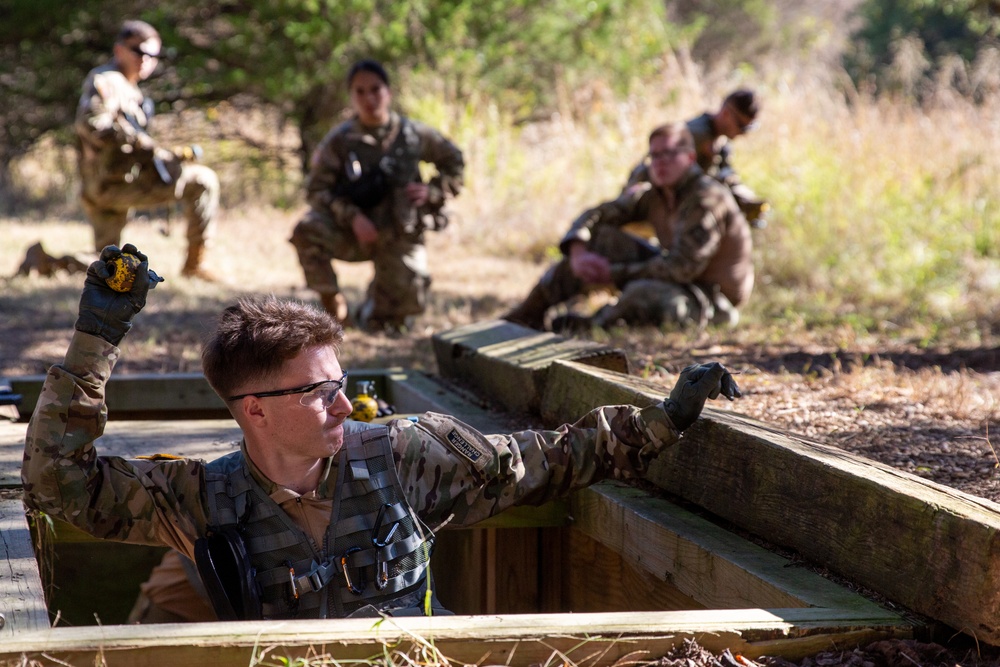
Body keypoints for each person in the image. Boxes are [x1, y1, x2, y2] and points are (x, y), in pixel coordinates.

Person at [22, 244, 741, 621]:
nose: (344, 405)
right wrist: (96, 338)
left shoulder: (408, 454)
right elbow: (59, 483)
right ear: (255, 410)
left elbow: (546, 460)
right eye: (316, 391)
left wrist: (660, 419)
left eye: (342, 383)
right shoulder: (200, 497)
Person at [504, 122, 753, 332]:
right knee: (603, 239)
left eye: (669, 154)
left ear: (689, 157)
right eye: (654, 156)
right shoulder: (654, 194)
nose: (660, 163)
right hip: (677, 280)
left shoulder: (706, 200)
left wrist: (612, 274)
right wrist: (578, 250)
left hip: (710, 298)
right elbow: (599, 215)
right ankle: (527, 314)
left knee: (643, 293)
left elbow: (681, 268)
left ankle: (591, 326)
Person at [289, 59, 465, 332]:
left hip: (399, 234)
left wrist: (433, 191)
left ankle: (376, 304)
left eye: (375, 89)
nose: (369, 98)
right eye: (360, 91)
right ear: (351, 96)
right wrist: (352, 216)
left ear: (388, 92)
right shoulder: (341, 140)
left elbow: (455, 161)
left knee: (391, 323)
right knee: (306, 230)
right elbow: (316, 190)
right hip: (353, 234)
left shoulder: (413, 134)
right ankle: (333, 304)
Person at [75, 20, 220, 280]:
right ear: (119, 50)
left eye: (154, 55)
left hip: (112, 184)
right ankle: (195, 266)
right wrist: (146, 146)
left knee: (103, 265)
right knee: (203, 180)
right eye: (139, 52)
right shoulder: (108, 81)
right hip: (111, 186)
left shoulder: (129, 88)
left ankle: (47, 262)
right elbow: (93, 124)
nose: (146, 60)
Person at [625, 89, 767, 226]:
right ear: (725, 114)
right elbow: (655, 171)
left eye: (748, 128)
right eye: (741, 126)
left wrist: (744, 198)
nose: (743, 133)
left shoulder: (720, 141)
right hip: (650, 206)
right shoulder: (696, 136)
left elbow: (724, 174)